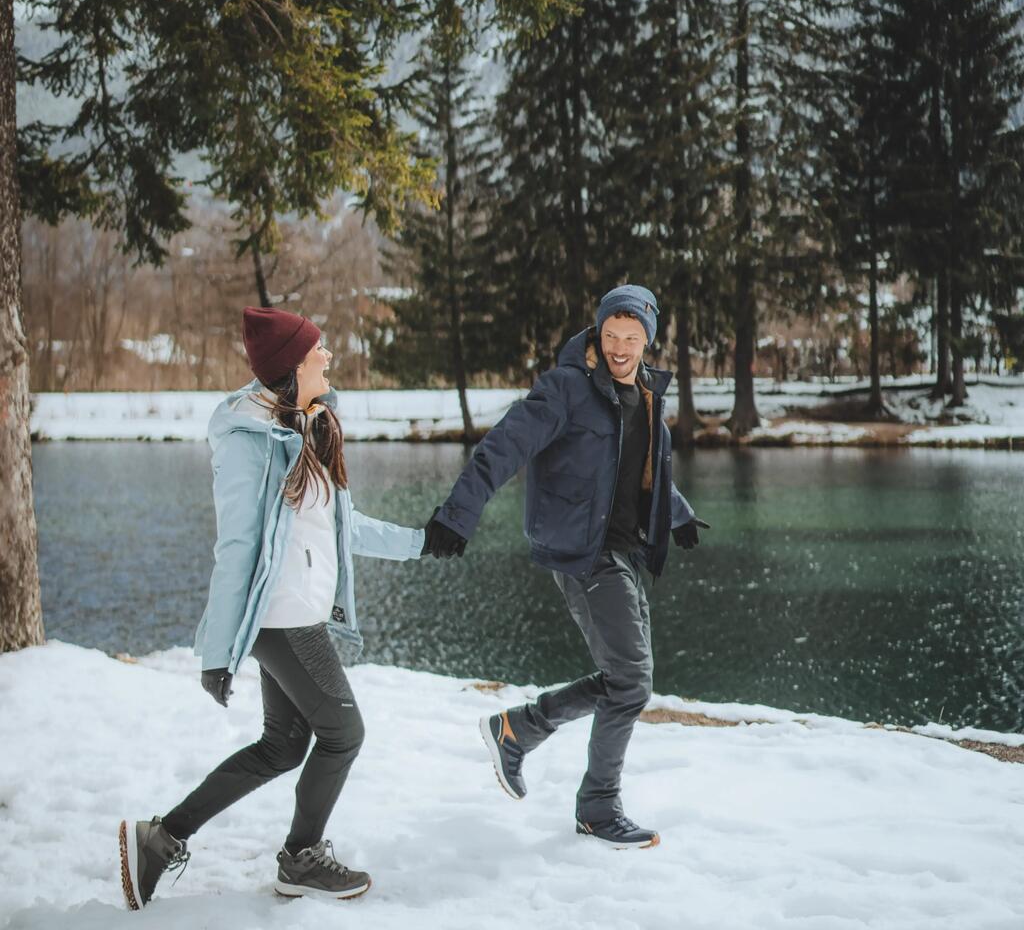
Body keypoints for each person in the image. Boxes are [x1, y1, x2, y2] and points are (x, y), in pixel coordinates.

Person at [119, 307, 435, 909]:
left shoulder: (308, 425)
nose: (329, 358)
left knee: (284, 747)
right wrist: (219, 654)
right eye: (318, 350)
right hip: (282, 618)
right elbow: (236, 547)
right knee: (343, 734)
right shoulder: (249, 443)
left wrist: (421, 542)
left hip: (299, 614)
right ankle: (301, 858)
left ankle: (161, 838)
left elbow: (343, 527)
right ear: (292, 365)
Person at [422, 285, 709, 850]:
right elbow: (501, 448)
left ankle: (517, 732)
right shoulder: (566, 389)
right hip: (584, 554)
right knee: (631, 682)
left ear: (647, 341)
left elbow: (638, 469)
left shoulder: (646, 394)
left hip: (623, 550)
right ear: (597, 335)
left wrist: (677, 513)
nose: (621, 347)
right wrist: (457, 515)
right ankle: (596, 807)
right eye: (611, 336)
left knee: (623, 680)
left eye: (632, 338)